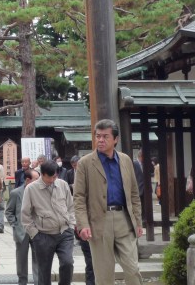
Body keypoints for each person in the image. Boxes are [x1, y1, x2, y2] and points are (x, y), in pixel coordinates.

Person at [73, 119, 143, 285]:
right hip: (99, 222)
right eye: (98, 136)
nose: (101, 140)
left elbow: (134, 193)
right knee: (103, 275)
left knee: (133, 269)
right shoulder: (85, 163)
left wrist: (138, 221)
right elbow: (79, 197)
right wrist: (83, 224)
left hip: (124, 219)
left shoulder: (125, 160)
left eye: (105, 136)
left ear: (115, 139)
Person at [21, 159, 75, 285]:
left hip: (64, 232)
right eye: (48, 177)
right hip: (43, 235)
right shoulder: (31, 189)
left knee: (67, 263)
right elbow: (25, 214)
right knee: (44, 271)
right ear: (42, 174)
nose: (51, 180)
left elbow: (71, 206)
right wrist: (35, 234)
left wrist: (71, 225)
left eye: (54, 177)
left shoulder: (63, 184)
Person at [6, 168, 40, 285]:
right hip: (22, 231)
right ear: (28, 180)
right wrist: (15, 225)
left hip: (37, 230)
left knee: (38, 259)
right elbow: (9, 211)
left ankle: (38, 282)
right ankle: (22, 282)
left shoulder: (40, 192)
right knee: (21, 260)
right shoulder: (16, 193)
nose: (39, 181)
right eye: (36, 179)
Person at [66, 155, 94, 285]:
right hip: (85, 226)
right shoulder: (78, 197)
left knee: (97, 260)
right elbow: (76, 207)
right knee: (90, 260)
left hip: (99, 225)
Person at [133, 149, 145, 222]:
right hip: (138, 187)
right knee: (138, 204)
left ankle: (144, 218)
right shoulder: (134, 163)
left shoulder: (145, 164)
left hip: (145, 188)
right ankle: (138, 218)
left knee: (145, 205)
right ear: (141, 156)